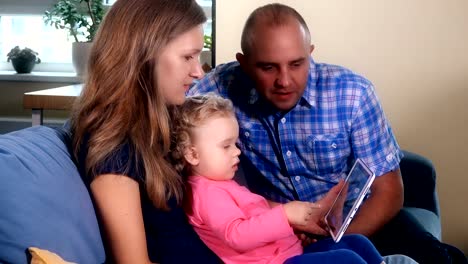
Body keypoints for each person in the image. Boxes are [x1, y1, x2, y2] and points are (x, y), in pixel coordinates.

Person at [188, 3, 467, 264]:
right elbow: (170, 111)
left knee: (440, 259)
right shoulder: (220, 87)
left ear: (311, 54)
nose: (284, 80)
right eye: (268, 67)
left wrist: (335, 241)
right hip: (287, 227)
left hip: (361, 218)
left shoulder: (353, 94)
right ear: (244, 64)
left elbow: (389, 191)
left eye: (297, 64)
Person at [70, 0, 221, 263]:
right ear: (143, 54)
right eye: (188, 57)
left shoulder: (153, 125)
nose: (198, 72)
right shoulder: (114, 147)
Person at [169, 93, 384, 264]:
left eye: (235, 144)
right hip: (276, 261)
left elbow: (257, 212)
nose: (236, 152)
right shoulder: (206, 194)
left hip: (289, 254)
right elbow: (237, 235)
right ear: (192, 154)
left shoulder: (220, 184)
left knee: (357, 243)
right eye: (226, 146)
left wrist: (299, 218)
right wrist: (285, 215)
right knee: (346, 260)